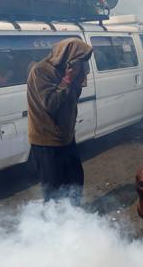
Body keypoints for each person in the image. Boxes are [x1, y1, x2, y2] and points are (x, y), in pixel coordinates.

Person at [27, 38, 93, 204]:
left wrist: (77, 79)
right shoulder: (41, 71)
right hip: (46, 141)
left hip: (66, 138)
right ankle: (54, 225)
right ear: (68, 58)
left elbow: (72, 99)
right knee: (53, 189)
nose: (82, 67)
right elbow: (51, 104)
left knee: (75, 181)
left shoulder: (69, 70)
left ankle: (74, 217)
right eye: (80, 62)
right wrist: (67, 80)